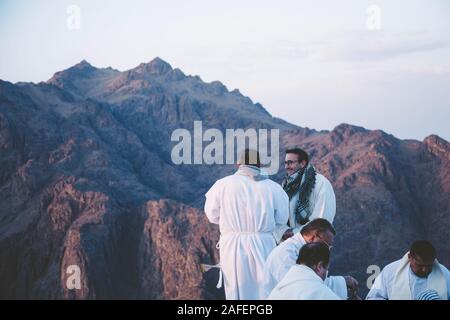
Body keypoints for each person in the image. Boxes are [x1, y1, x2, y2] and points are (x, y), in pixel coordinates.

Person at [204, 149, 289, 300]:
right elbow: (281, 219)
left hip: (233, 244)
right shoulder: (274, 187)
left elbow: (212, 215)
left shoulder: (222, 185)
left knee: (237, 289)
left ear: (239, 164)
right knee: (265, 288)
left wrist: (231, 224)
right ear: (259, 164)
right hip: (264, 242)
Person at [263, 218, 358, 299]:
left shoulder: (302, 250)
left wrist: (342, 282)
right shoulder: (286, 254)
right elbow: (303, 288)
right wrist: (342, 282)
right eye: (326, 244)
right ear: (314, 236)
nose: (327, 249)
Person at [275, 148, 336, 243]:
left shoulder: (321, 184)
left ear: (303, 163)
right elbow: (278, 216)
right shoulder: (287, 185)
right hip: (288, 243)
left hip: (312, 244)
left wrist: (295, 233)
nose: (287, 166)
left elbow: (322, 220)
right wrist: (283, 232)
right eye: (285, 163)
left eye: (290, 162)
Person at [366, 240, 450, 300]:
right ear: (410, 257)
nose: (424, 270)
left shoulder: (445, 274)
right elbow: (374, 297)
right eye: (420, 265)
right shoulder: (389, 271)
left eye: (429, 265)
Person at [268, 242, 342, 300]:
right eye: (326, 269)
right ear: (319, 266)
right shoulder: (319, 292)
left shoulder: (278, 290)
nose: (326, 274)